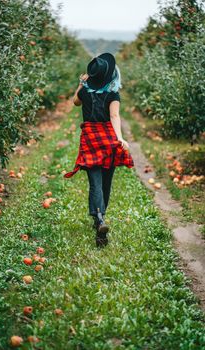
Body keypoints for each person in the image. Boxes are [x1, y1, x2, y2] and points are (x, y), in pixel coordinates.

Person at [64, 52, 134, 248]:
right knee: (106, 181)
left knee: (94, 182)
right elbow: (115, 116)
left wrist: (81, 83)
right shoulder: (113, 94)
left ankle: (99, 219)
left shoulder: (85, 92)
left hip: (90, 139)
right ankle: (100, 219)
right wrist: (119, 137)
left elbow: (75, 102)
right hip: (108, 139)